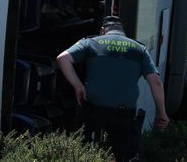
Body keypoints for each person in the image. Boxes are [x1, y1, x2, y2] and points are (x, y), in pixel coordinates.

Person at [56, 16, 169, 162]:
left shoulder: (90, 42)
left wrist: (78, 86)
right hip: (123, 113)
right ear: (122, 31)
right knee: (124, 156)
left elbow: (62, 58)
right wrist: (161, 113)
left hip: (92, 108)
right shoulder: (139, 49)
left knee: (81, 151)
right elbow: (156, 82)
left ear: (103, 30)